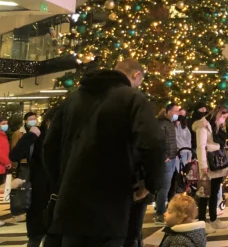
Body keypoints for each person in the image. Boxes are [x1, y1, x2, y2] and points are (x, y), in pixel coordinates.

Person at [43, 59, 165, 247]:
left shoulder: (73, 99)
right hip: (111, 204)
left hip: (71, 207)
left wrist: (61, 182)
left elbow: (49, 147)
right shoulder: (132, 98)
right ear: (136, 75)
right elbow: (153, 143)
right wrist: (150, 184)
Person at [10, 108, 57, 247]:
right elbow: (15, 155)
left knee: (55, 233)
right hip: (37, 190)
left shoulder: (63, 136)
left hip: (57, 190)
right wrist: (30, 136)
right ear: (49, 121)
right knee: (36, 234)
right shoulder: (36, 135)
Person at [193, 106, 228, 231]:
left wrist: (216, 146)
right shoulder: (203, 125)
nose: (224, 120)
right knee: (204, 192)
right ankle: (202, 221)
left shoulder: (217, 127)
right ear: (218, 114)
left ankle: (213, 219)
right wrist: (203, 165)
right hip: (208, 164)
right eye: (223, 117)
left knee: (214, 192)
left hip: (217, 163)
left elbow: (218, 144)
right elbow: (201, 146)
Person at [155, 103, 180, 224]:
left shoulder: (169, 123)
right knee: (164, 187)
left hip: (172, 158)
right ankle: (159, 213)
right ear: (169, 111)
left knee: (167, 186)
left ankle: (161, 210)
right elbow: (159, 140)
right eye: (176, 111)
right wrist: (164, 156)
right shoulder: (162, 123)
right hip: (167, 159)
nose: (178, 114)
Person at [0, 117, 10, 187]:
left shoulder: (3, 135)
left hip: (2, 167)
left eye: (6, 123)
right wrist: (6, 162)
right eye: (3, 124)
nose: (5, 125)